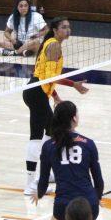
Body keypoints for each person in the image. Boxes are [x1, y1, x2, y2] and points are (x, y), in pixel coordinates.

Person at [19, 18, 89, 196]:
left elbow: (47, 77)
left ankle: (44, 173)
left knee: (51, 132)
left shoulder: (52, 44)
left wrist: (55, 96)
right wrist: (74, 84)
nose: (68, 30)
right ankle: (30, 184)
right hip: (36, 92)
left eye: (69, 27)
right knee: (37, 136)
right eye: (64, 27)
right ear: (55, 30)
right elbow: (50, 78)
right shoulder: (53, 46)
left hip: (37, 91)